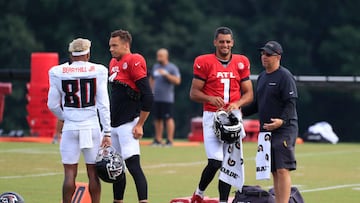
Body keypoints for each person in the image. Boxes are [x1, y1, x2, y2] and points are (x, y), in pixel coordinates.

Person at [189, 27, 253, 203]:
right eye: (221, 41)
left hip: (233, 117)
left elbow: (249, 94)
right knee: (215, 161)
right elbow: (194, 93)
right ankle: (199, 193)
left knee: (229, 163)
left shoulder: (241, 62)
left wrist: (237, 104)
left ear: (232, 43)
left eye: (228, 41)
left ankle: (224, 200)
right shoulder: (204, 61)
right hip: (212, 116)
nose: (225, 45)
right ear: (215, 42)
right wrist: (209, 98)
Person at [47, 38, 111, 203]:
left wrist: (65, 117)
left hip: (70, 127)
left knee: (69, 173)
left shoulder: (57, 72)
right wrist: (107, 131)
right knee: (93, 173)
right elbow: (104, 104)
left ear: (71, 54)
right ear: (88, 53)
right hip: (91, 126)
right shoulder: (99, 70)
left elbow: (52, 104)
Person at [242, 41, 298, 203]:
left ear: (278, 57)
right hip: (266, 131)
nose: (264, 57)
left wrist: (281, 121)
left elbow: (290, 103)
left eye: (268, 54)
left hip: (284, 129)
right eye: (262, 54)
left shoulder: (285, 76)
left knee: (282, 169)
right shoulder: (262, 77)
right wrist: (239, 111)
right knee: (273, 169)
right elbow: (258, 104)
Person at [108, 29, 153, 203]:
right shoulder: (113, 62)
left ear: (126, 45)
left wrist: (140, 124)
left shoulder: (134, 60)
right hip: (114, 124)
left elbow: (148, 95)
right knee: (116, 169)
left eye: (115, 45)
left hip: (129, 122)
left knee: (133, 166)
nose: (111, 49)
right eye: (110, 45)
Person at [149, 48, 181, 146]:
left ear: (166, 56)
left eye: (161, 56)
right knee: (157, 118)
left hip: (167, 98)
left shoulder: (172, 68)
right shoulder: (155, 67)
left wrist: (166, 75)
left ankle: (169, 140)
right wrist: (150, 91)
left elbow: (177, 81)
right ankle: (158, 140)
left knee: (168, 118)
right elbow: (152, 78)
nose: (158, 58)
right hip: (156, 98)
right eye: (158, 56)